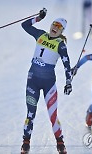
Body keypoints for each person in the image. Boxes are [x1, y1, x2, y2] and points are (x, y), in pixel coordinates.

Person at [21, 8, 72, 154]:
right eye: (54, 24)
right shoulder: (40, 35)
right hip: (33, 81)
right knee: (30, 113)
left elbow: (67, 64)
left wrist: (69, 82)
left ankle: (60, 143)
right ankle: (25, 143)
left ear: (62, 31)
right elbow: (24, 26)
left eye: (59, 27)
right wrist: (38, 18)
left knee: (53, 116)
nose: (55, 28)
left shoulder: (60, 44)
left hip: (49, 84)